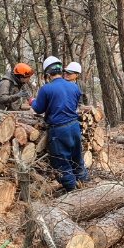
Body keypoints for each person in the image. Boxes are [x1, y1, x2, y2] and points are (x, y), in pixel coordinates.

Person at [29, 56, 87, 190]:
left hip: (59, 129)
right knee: (76, 155)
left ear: (48, 74)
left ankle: (71, 190)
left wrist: (32, 101)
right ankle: (82, 182)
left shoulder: (46, 89)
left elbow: (38, 108)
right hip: (74, 126)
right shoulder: (74, 87)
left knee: (61, 160)